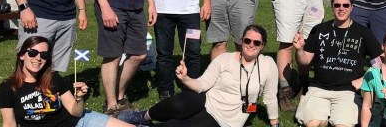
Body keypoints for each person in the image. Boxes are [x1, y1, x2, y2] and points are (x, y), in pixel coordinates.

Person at [118, 25, 279, 127]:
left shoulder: (268, 65)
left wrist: (275, 124)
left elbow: (270, 98)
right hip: (207, 100)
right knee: (179, 103)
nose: (251, 45)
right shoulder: (225, 58)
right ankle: (143, 116)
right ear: (241, 41)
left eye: (256, 43)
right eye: (247, 40)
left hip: (224, 120)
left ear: (262, 46)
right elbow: (203, 84)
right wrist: (185, 79)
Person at [293, 0, 383, 127]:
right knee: (314, 124)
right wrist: (299, 50)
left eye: (345, 5)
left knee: (342, 125)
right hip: (319, 89)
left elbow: (381, 61)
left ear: (352, 7)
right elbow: (305, 62)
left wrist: (364, 78)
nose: (341, 9)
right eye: (337, 5)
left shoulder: (363, 32)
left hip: (347, 91)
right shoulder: (320, 29)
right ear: (332, 7)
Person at [0, 35, 133, 127]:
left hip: (78, 122)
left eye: (44, 55)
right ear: (21, 55)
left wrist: (79, 98)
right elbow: (9, 124)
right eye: (32, 53)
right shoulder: (8, 87)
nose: (38, 58)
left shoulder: (53, 78)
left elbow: (76, 112)